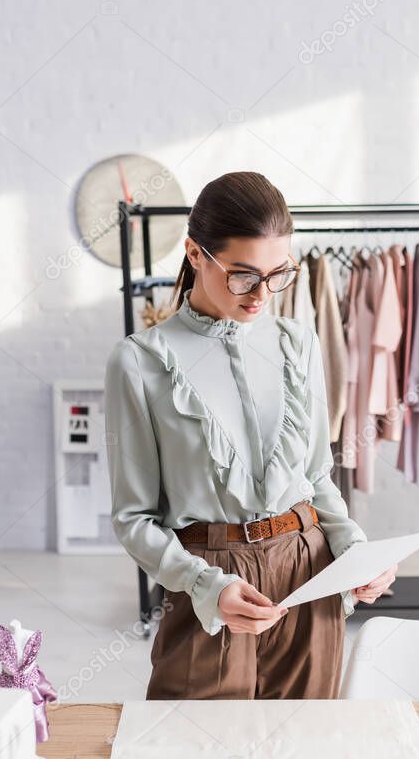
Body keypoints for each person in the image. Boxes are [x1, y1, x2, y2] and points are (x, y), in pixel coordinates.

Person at [104, 171, 396, 700]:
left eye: (277, 274)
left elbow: (315, 478)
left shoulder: (298, 343)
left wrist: (355, 549)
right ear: (195, 253)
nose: (262, 294)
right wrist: (204, 587)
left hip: (310, 573)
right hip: (212, 580)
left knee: (303, 750)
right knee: (193, 751)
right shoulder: (140, 361)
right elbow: (133, 519)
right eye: (242, 276)